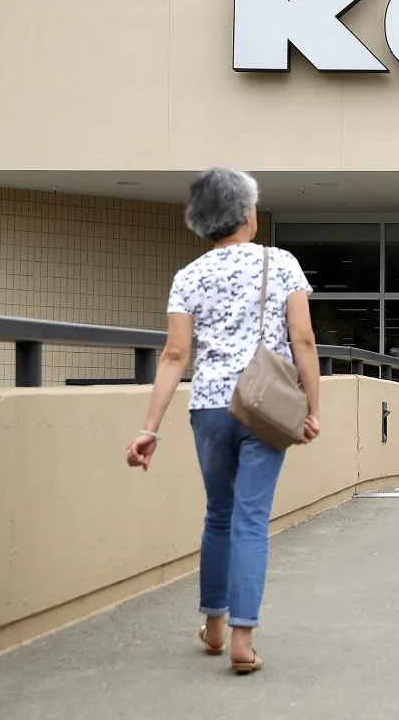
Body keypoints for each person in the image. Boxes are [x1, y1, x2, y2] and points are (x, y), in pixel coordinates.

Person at [124, 167, 322, 673]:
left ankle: (213, 624)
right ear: (249, 214)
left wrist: (150, 427)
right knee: (252, 519)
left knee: (218, 513)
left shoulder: (188, 276)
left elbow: (173, 355)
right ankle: (242, 638)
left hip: (209, 405)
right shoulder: (280, 264)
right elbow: (302, 339)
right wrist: (312, 408)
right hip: (264, 402)